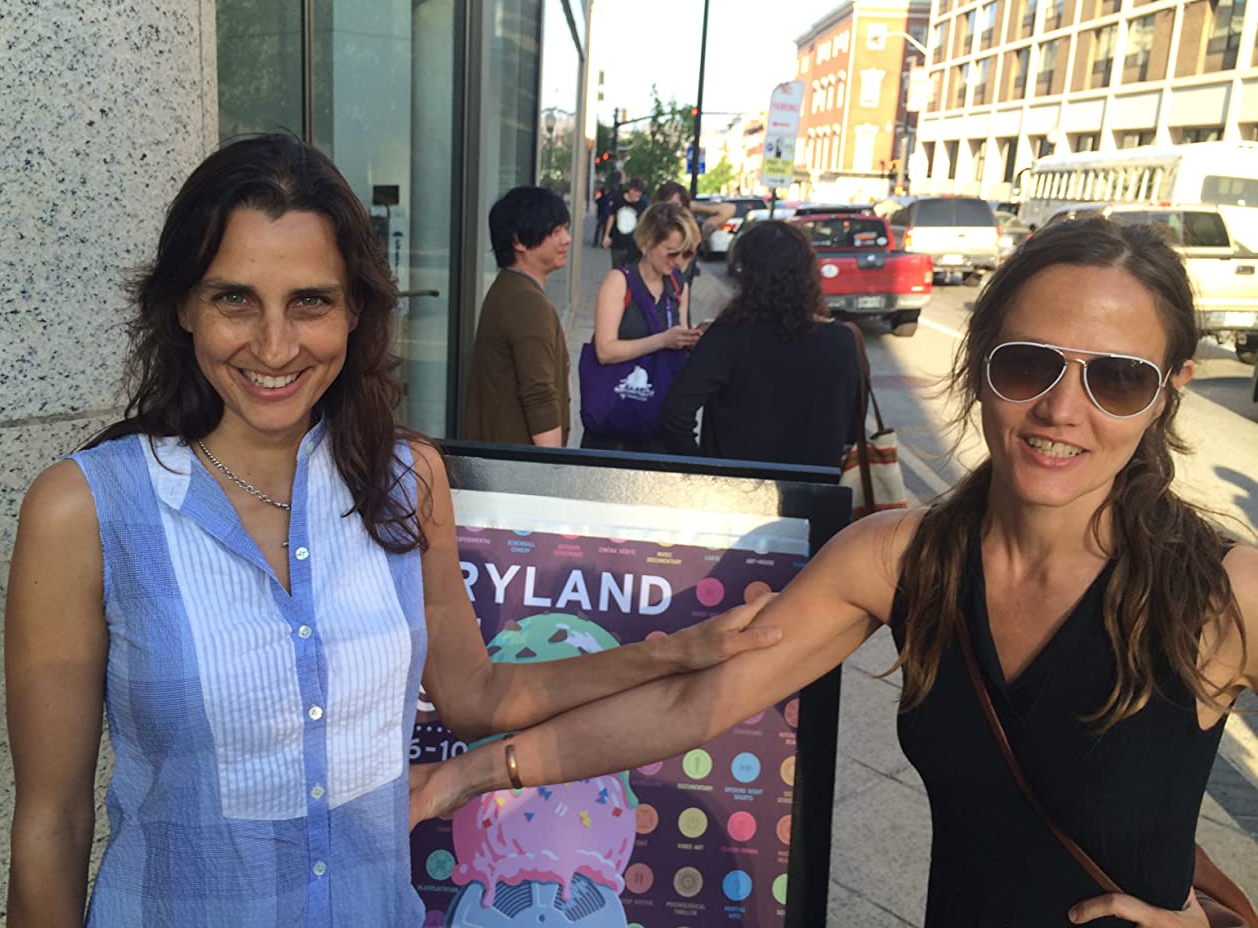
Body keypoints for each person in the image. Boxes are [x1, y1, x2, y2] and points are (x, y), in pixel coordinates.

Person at [3, 135, 783, 927]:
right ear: (182, 306)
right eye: (233, 298)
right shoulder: (85, 509)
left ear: (355, 310)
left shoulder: (408, 480)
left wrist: (673, 652)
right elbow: (51, 824)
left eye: (309, 301)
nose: (273, 345)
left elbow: (477, 695)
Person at [412, 216, 1258, 927]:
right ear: (978, 362)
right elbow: (688, 704)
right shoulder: (902, 558)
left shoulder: (1225, 592)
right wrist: (461, 777)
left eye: (1118, 379)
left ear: (1169, 391)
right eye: (1028, 364)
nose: (1062, 409)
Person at [659, 220, 860, 469]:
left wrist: (702, 473)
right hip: (814, 486)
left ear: (747, 273)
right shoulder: (842, 340)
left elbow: (674, 415)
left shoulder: (727, 336)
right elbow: (851, 428)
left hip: (735, 486)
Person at [581, 201, 702, 452]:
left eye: (686, 253)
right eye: (672, 252)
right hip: (614, 420)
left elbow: (678, 341)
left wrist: (691, 341)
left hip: (655, 424)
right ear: (647, 242)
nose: (678, 262)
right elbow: (604, 351)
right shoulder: (619, 281)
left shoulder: (679, 286)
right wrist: (663, 340)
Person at [464, 186, 573, 447]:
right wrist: (552, 464)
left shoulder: (509, 287)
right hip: (520, 462)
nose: (567, 239)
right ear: (518, 241)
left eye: (565, 229)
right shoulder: (527, 302)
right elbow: (539, 396)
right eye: (555, 232)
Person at [600, 176, 646, 268]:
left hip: (633, 244)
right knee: (617, 268)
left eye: (639, 193)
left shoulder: (642, 205)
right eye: (635, 191)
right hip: (618, 241)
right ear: (630, 189)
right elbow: (612, 217)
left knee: (630, 269)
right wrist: (606, 235)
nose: (637, 195)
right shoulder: (618, 199)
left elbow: (643, 224)